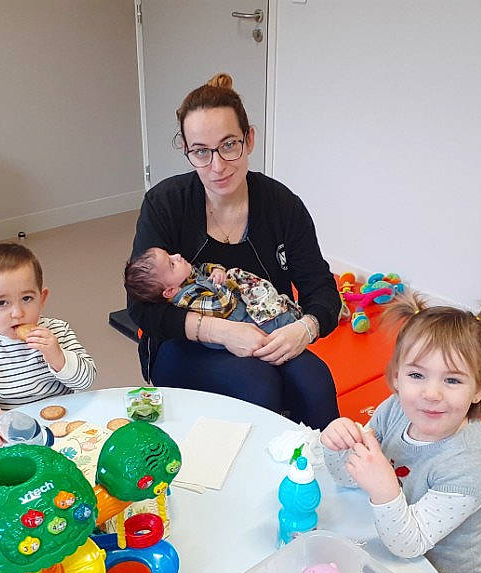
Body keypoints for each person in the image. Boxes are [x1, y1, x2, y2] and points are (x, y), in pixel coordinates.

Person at [126, 73, 341, 428]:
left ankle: (327, 460)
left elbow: (321, 289)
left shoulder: (282, 205)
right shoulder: (165, 203)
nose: (217, 166)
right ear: (188, 151)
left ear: (249, 139)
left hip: (265, 332)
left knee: (315, 383)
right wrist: (221, 332)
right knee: (257, 385)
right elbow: (140, 307)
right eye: (201, 151)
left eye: (229, 145)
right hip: (185, 342)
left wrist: (304, 329)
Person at [321, 293, 481, 573]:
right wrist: (338, 444)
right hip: (390, 554)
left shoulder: (470, 468)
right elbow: (347, 478)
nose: (431, 393)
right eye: (417, 375)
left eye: (452, 380)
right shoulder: (396, 409)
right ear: (397, 377)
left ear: (479, 388)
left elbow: (408, 545)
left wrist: (384, 489)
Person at [0, 243, 96, 445]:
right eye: (1, 303)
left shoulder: (57, 331)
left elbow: (86, 380)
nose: (17, 313)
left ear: (42, 299)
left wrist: (58, 358)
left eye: (26, 298)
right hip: (12, 434)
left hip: (64, 425)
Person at [124, 247, 302, 350]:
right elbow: (221, 306)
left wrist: (216, 270)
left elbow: (203, 268)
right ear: (170, 291)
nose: (177, 256)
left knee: (253, 289)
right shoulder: (187, 297)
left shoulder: (184, 277)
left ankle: (281, 307)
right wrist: (223, 284)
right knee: (268, 324)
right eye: (172, 264)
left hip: (237, 305)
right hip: (235, 320)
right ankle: (287, 320)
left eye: (170, 254)